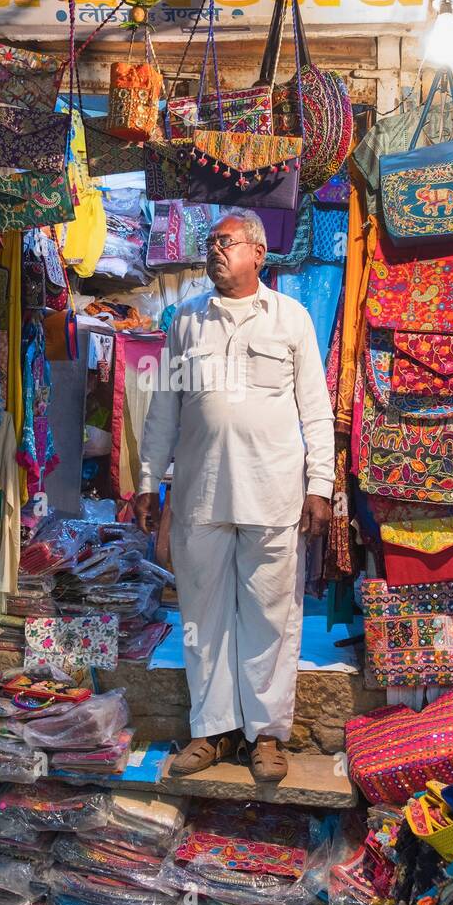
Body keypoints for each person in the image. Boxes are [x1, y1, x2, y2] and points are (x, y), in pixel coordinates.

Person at [134, 210, 335, 784]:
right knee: (202, 617)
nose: (214, 251)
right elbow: (162, 412)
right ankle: (213, 729)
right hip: (201, 495)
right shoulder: (186, 322)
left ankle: (267, 735)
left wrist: (319, 486)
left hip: (272, 493)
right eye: (211, 243)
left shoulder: (290, 319)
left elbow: (315, 410)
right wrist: (150, 480)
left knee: (271, 617)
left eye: (225, 243)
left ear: (258, 254)